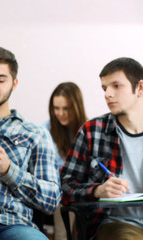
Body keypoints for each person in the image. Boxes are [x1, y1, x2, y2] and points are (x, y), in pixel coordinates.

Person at [0, 46, 61, 240]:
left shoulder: (35, 133)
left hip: (11, 225)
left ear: (14, 83)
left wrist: (9, 170)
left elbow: (52, 200)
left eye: (0, 79)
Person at [60, 57, 143, 240]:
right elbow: (65, 187)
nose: (108, 94)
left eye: (116, 86)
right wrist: (98, 191)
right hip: (117, 224)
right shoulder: (92, 131)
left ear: (140, 88)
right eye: (105, 88)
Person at [41, 82, 87, 240]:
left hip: (82, 188)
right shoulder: (46, 129)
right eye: (56, 108)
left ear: (76, 107)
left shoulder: (88, 129)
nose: (60, 113)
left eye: (66, 108)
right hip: (59, 189)